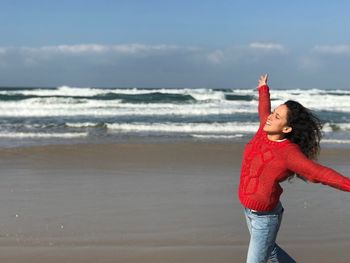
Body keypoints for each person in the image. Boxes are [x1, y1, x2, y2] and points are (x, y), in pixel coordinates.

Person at [238, 74, 350, 263]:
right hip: (248, 210)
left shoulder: (289, 154)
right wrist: (263, 89)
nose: (270, 117)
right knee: (271, 252)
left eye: (277, 116)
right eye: (274, 112)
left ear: (287, 129)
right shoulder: (264, 129)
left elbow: (319, 173)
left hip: (264, 218)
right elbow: (263, 109)